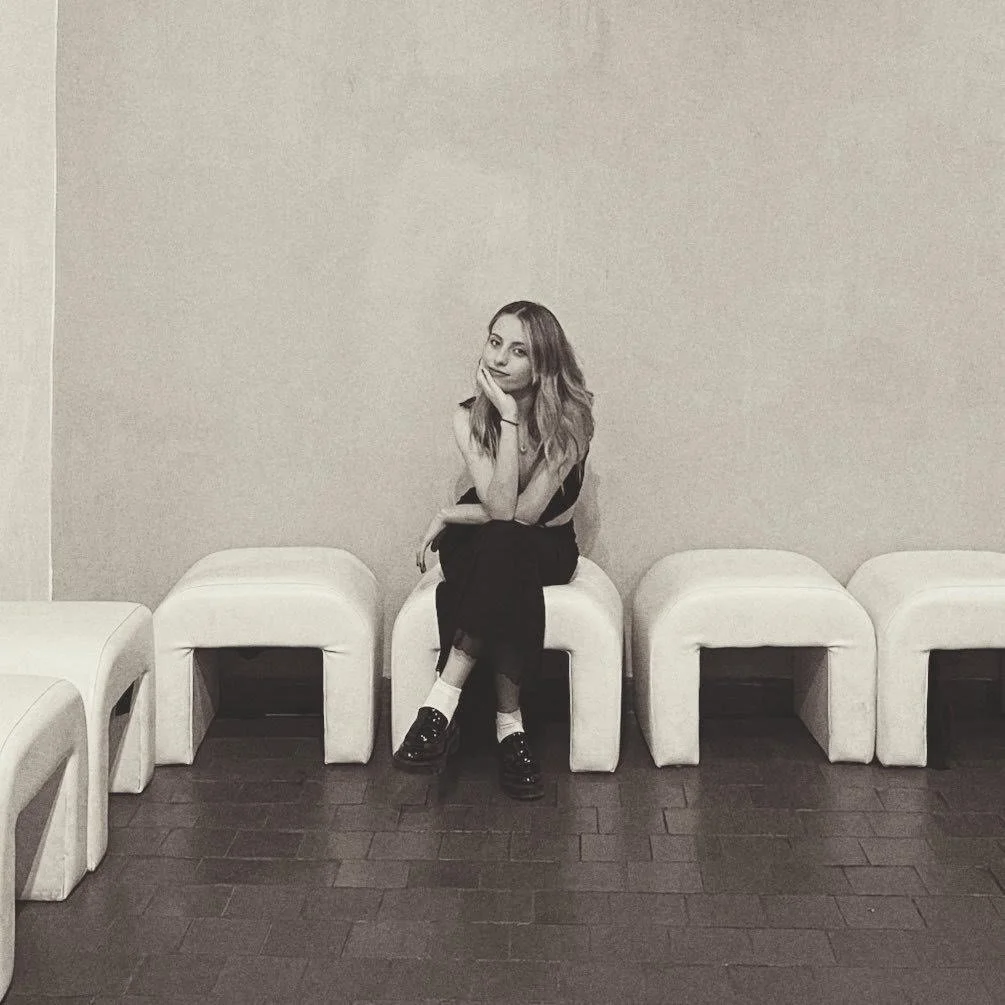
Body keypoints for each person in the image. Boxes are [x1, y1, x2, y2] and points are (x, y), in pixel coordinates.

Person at [393, 301, 595, 800]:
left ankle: (440, 705)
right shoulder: (468, 417)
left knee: (509, 546)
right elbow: (502, 509)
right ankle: (511, 727)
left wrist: (449, 513)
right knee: (502, 550)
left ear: (542, 363)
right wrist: (502, 418)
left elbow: (522, 514)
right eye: (494, 342)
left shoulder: (571, 419)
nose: (500, 358)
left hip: (544, 544)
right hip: (484, 540)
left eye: (519, 351)